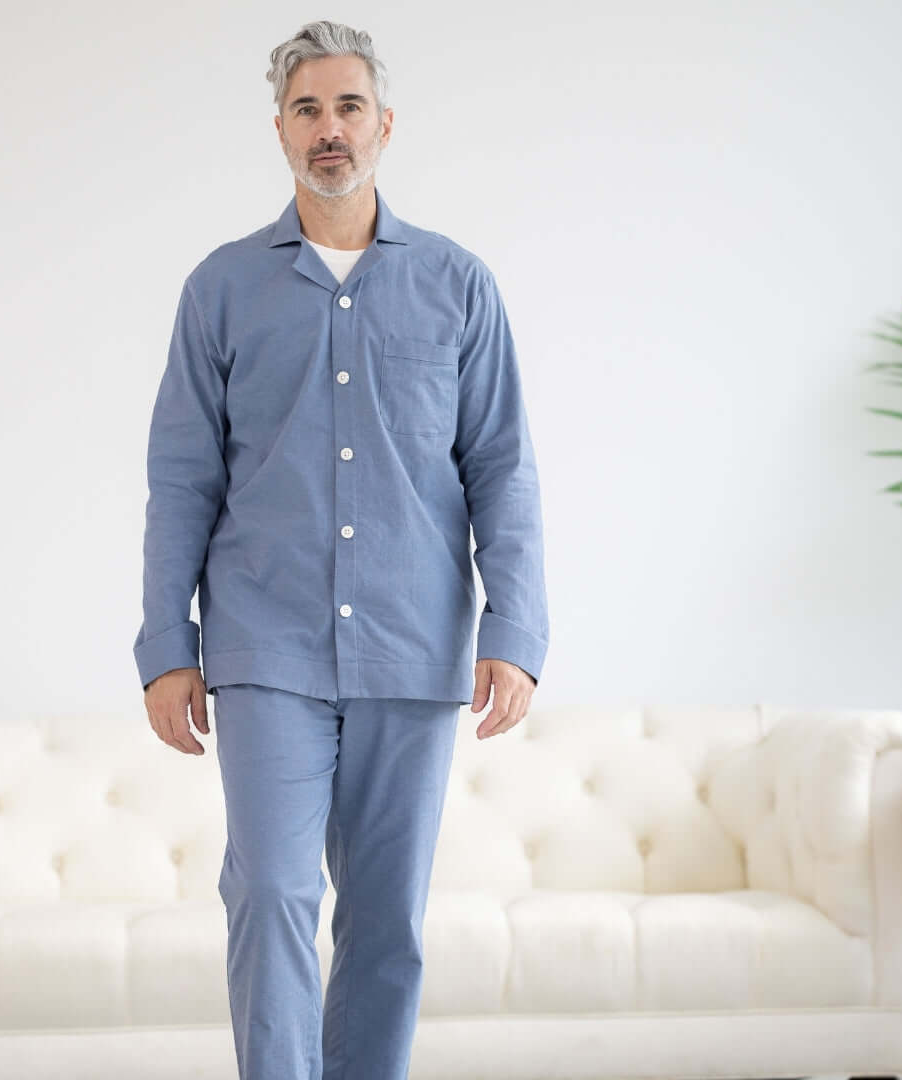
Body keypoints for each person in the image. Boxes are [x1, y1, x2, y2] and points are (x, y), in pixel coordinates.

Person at [134, 19, 549, 1080]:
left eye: (348, 106)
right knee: (270, 892)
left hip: (413, 647)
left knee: (387, 923)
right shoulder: (220, 290)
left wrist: (516, 627)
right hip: (263, 645)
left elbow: (501, 465)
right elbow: (182, 479)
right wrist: (165, 644)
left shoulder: (458, 286)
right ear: (279, 129)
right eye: (308, 109)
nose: (330, 129)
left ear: (385, 124)